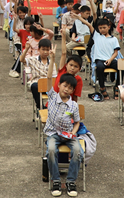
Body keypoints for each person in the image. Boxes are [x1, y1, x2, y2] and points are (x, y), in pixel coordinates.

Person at [44, 67, 82, 197]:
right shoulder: (53, 97)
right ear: (59, 85)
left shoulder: (73, 105)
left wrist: (72, 133)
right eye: (64, 86)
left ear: (72, 91)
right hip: (53, 134)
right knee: (51, 150)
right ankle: (56, 180)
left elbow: (77, 122)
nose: (66, 89)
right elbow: (49, 78)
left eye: (70, 88)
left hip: (68, 135)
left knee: (77, 151)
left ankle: (71, 181)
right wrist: (52, 57)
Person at [21, 38, 57, 111]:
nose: (45, 52)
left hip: (48, 86)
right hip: (37, 84)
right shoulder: (33, 59)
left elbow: (54, 77)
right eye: (43, 49)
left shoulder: (51, 62)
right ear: (38, 49)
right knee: (34, 86)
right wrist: (26, 49)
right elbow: (22, 60)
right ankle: (40, 107)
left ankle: (54, 109)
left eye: (47, 50)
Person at [91, 18, 121, 100]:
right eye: (100, 28)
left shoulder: (114, 39)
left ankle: (117, 86)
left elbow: (116, 53)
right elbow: (89, 25)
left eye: (104, 27)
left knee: (121, 66)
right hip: (100, 59)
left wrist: (110, 60)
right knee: (100, 67)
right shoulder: (96, 36)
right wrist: (79, 17)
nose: (102, 30)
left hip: (110, 59)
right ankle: (102, 87)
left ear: (108, 27)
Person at [52, 32, 83, 101]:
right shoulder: (62, 71)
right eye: (71, 65)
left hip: (66, 106)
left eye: (76, 66)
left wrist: (73, 109)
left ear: (79, 69)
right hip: (53, 103)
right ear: (66, 65)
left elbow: (75, 97)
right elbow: (64, 53)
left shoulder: (78, 79)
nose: (72, 68)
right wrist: (63, 37)